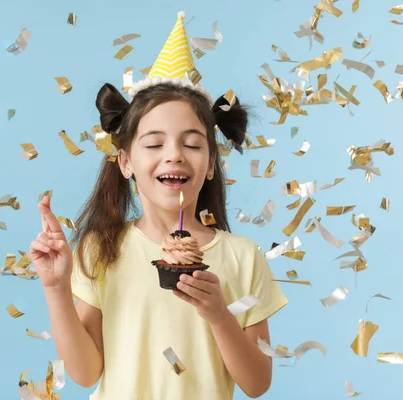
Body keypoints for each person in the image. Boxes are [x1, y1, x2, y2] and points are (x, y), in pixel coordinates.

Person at [29, 11, 288, 400]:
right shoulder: (101, 249)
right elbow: (85, 374)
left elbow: (257, 383)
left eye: (192, 143)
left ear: (212, 164)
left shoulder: (243, 257)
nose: (174, 156)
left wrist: (218, 313)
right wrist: (55, 288)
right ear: (126, 161)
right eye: (154, 144)